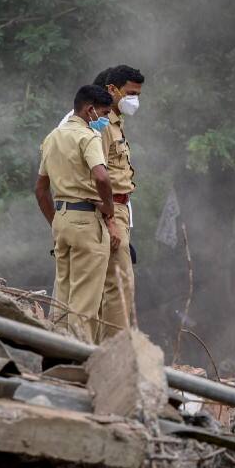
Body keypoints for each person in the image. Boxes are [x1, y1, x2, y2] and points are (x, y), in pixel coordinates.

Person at [35, 85, 119, 344]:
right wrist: (109, 207)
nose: (104, 119)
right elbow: (102, 177)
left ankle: (55, 356)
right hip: (87, 221)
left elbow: (40, 190)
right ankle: (78, 365)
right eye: (104, 113)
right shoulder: (88, 137)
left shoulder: (52, 137)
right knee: (85, 303)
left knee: (62, 296)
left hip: (62, 219)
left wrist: (57, 222)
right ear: (89, 109)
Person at [93, 65, 145, 342]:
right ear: (112, 89)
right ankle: (115, 351)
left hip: (120, 209)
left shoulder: (115, 120)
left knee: (114, 284)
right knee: (119, 285)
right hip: (108, 210)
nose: (135, 100)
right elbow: (96, 176)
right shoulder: (100, 124)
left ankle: (105, 348)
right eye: (131, 93)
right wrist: (111, 221)